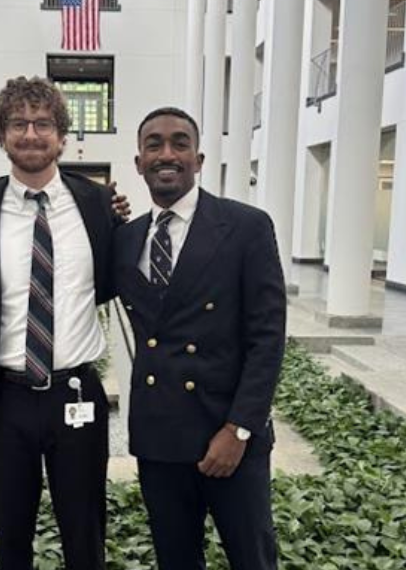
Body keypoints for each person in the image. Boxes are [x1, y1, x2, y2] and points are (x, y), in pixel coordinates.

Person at [113, 107, 286, 570]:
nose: (166, 154)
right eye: (154, 144)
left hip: (229, 436)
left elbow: (268, 337)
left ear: (198, 157)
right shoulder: (125, 240)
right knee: (175, 561)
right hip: (159, 439)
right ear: (138, 161)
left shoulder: (246, 226)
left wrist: (239, 428)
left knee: (253, 558)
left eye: (179, 143)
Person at [0, 76, 118, 570]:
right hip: (4, 400)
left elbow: (110, 283)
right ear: (1, 135)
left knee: (84, 535)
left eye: (43, 123)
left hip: (76, 395)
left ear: (62, 136)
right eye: (18, 124)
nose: (31, 134)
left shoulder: (97, 205)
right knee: (10, 539)